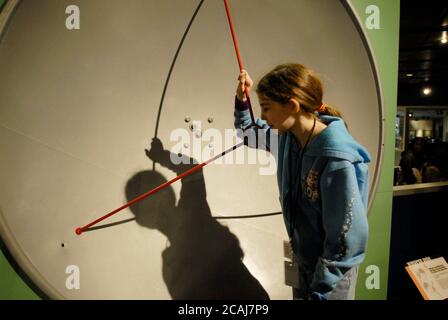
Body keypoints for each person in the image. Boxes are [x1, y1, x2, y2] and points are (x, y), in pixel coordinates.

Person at [233, 63, 370, 300]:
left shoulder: (335, 158)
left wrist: (321, 290)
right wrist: (241, 99)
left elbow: (345, 239)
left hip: (332, 278)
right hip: (304, 262)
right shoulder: (288, 139)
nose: (263, 117)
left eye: (266, 108)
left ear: (293, 106)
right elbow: (248, 132)